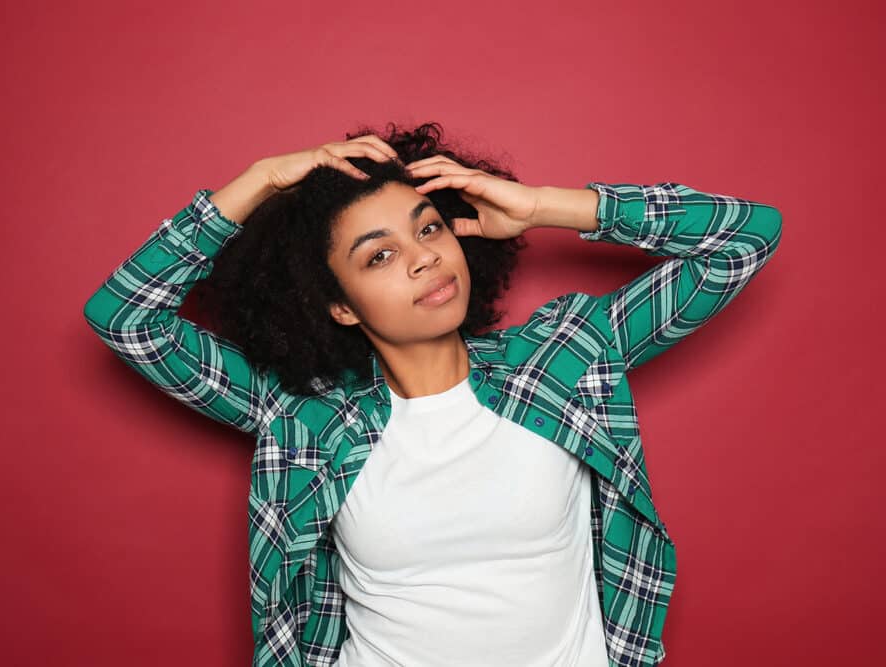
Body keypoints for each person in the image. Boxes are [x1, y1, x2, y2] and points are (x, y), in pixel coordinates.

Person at [82, 121, 782, 667]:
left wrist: (542, 206)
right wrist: (261, 180)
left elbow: (744, 240)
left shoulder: (561, 356)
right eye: (378, 255)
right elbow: (125, 316)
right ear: (340, 306)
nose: (424, 255)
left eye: (429, 226)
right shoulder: (306, 416)